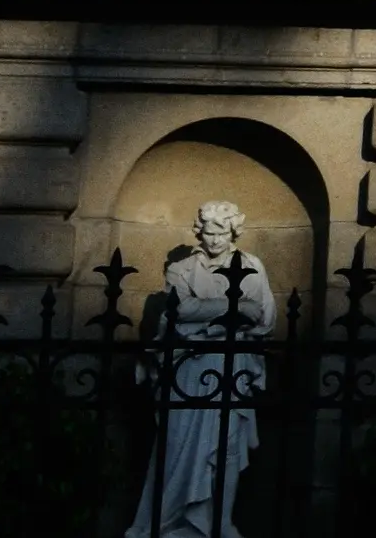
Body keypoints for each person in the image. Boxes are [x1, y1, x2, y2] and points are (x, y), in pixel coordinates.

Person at [127, 200, 274, 538]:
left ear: (234, 232)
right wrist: (233, 310)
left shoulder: (251, 266)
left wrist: (206, 323)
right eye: (208, 232)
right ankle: (167, 521)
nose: (214, 240)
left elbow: (264, 320)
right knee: (176, 448)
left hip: (232, 367)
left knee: (226, 450)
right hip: (188, 371)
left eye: (221, 232)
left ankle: (219, 523)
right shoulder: (181, 269)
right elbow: (179, 311)